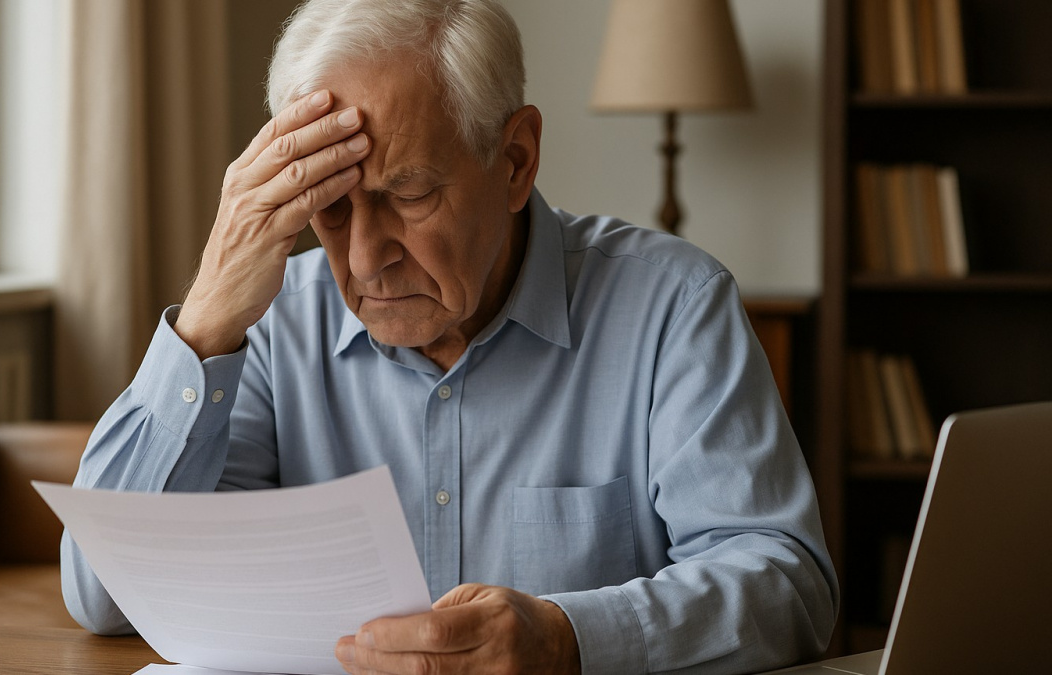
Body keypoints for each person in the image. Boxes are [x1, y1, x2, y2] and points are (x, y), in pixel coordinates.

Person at [61, 0, 838, 672]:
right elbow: (102, 595)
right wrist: (203, 321)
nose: (365, 257)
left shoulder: (674, 306)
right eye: (328, 207)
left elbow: (786, 582)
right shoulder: (265, 329)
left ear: (516, 160)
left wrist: (570, 640)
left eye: (408, 194)